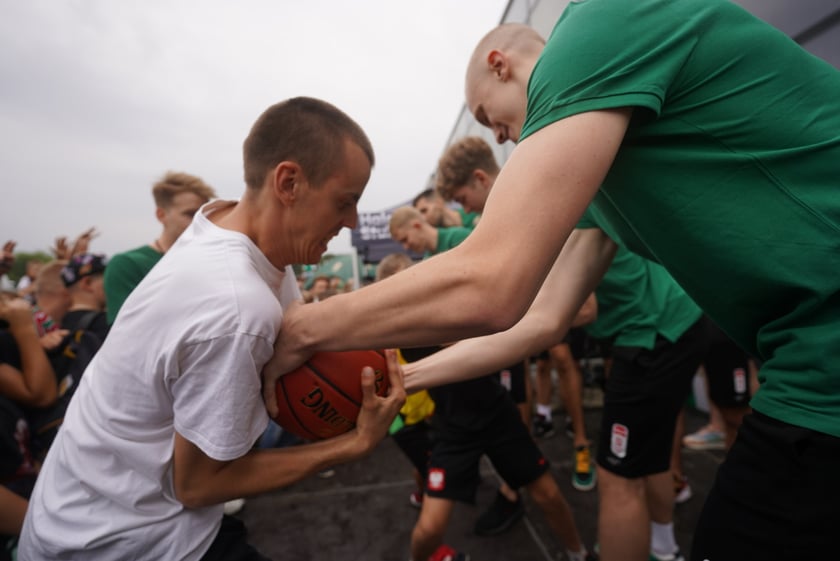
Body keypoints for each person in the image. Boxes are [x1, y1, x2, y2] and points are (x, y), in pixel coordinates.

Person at [264, 5, 840, 559]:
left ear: (501, 64)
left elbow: (493, 282)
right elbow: (537, 319)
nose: (502, 139)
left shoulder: (595, 27)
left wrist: (307, 327)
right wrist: (404, 378)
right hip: (807, 354)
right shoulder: (600, 184)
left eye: (491, 118)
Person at [18, 96, 406, 561]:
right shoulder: (235, 305)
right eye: (345, 202)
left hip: (94, 513)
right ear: (288, 182)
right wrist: (350, 445)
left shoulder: (220, 228)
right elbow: (199, 484)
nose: (351, 222)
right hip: (116, 542)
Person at [103, 171, 216, 325]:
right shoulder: (128, 264)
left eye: (204, 214)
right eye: (190, 214)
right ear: (161, 215)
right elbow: (128, 330)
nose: (200, 221)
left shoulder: (212, 263)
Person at [412, 188, 479, 229]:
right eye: (420, 216)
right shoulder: (439, 245)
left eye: (424, 211)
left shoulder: (476, 213)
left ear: (439, 202)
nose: (423, 218)